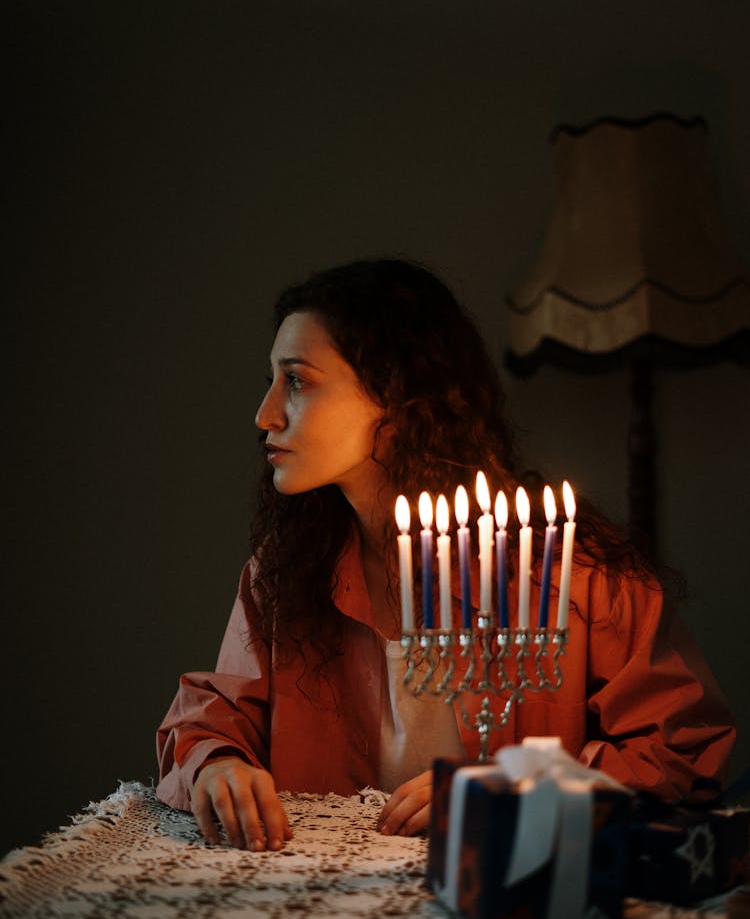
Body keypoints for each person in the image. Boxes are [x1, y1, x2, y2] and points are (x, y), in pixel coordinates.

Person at [156, 258, 736, 851]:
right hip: (330, 909)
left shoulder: (565, 572)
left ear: (396, 392)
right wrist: (218, 764)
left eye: (298, 380)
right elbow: (213, 715)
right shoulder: (284, 574)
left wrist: (522, 789)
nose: (265, 414)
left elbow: (681, 748)